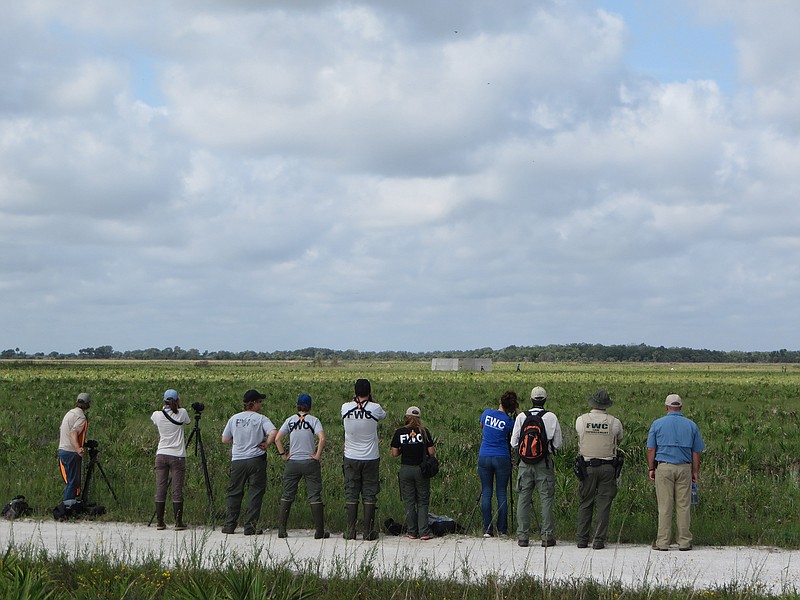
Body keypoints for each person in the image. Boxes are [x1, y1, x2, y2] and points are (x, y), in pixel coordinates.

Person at [647, 393, 705, 551]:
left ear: (667, 407)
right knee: (683, 506)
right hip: (684, 467)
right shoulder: (691, 425)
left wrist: (651, 468)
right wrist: (695, 471)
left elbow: (651, 448)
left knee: (665, 506)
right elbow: (696, 451)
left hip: (664, 467)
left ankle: (663, 542)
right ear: (681, 407)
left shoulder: (657, 424)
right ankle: (684, 541)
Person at [511, 386, 563, 547]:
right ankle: (547, 537)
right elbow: (558, 444)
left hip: (524, 463)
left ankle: (523, 537)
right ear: (545, 400)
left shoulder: (521, 417)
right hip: (544, 462)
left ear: (531, 399)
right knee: (546, 499)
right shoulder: (551, 417)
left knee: (523, 498)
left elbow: (514, 442)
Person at [221, 389, 277, 535]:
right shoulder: (260, 419)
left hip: (238, 460)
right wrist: (267, 443)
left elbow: (225, 439)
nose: (261, 404)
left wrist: (237, 441)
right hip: (256, 459)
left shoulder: (234, 418)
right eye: (260, 401)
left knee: (234, 492)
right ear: (254, 403)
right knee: (255, 492)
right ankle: (250, 526)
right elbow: (273, 432)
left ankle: (229, 525)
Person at [274, 393, 329, 539]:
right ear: (310, 406)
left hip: (293, 462)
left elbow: (277, 439)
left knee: (287, 494)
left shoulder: (290, 420)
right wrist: (317, 455)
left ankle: (282, 529)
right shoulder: (314, 420)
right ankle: (319, 531)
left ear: (297, 405)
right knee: (314, 495)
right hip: (309, 462)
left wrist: (284, 455)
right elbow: (322, 438)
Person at [575, 389, 624, 550]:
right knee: (604, 505)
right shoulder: (614, 422)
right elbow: (619, 439)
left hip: (587, 467)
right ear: (606, 405)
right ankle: (598, 540)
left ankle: (582, 539)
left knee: (585, 502)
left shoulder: (581, 420)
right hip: (608, 467)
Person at [341, 378, 386, 540]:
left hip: (351, 456)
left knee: (351, 492)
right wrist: (371, 400)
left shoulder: (345, 407)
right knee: (369, 493)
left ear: (355, 392)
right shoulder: (376, 408)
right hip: (371, 457)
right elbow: (383, 416)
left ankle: (351, 531)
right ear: (369, 391)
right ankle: (368, 531)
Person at [390, 406, 436, 540]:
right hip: (421, 470)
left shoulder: (399, 432)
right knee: (422, 501)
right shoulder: (424, 432)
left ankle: (411, 531)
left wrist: (403, 450)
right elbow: (431, 452)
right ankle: (424, 531)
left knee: (409, 501)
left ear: (406, 417)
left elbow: (394, 453)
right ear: (419, 418)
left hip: (405, 469)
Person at [478, 390, 519, 537]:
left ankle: (487, 528)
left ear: (500, 402)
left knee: (486, 492)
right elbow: (514, 436)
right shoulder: (509, 422)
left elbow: (482, 426)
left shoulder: (487, 413)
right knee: (501, 493)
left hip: (484, 455)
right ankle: (502, 529)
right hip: (502, 456)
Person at [150, 389, 191, 531]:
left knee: (161, 488)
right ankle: (178, 522)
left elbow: (155, 420)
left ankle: (160, 521)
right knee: (177, 489)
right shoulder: (182, 413)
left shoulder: (156, 415)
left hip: (161, 454)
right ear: (177, 400)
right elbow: (187, 421)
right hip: (177, 455)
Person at [58, 392, 91, 507]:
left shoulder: (69, 413)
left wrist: (83, 443)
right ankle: (67, 507)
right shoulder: (81, 417)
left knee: (70, 481)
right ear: (87, 404)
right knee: (73, 482)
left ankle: (69, 504)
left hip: (62, 449)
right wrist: (78, 448)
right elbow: (73, 433)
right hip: (71, 451)